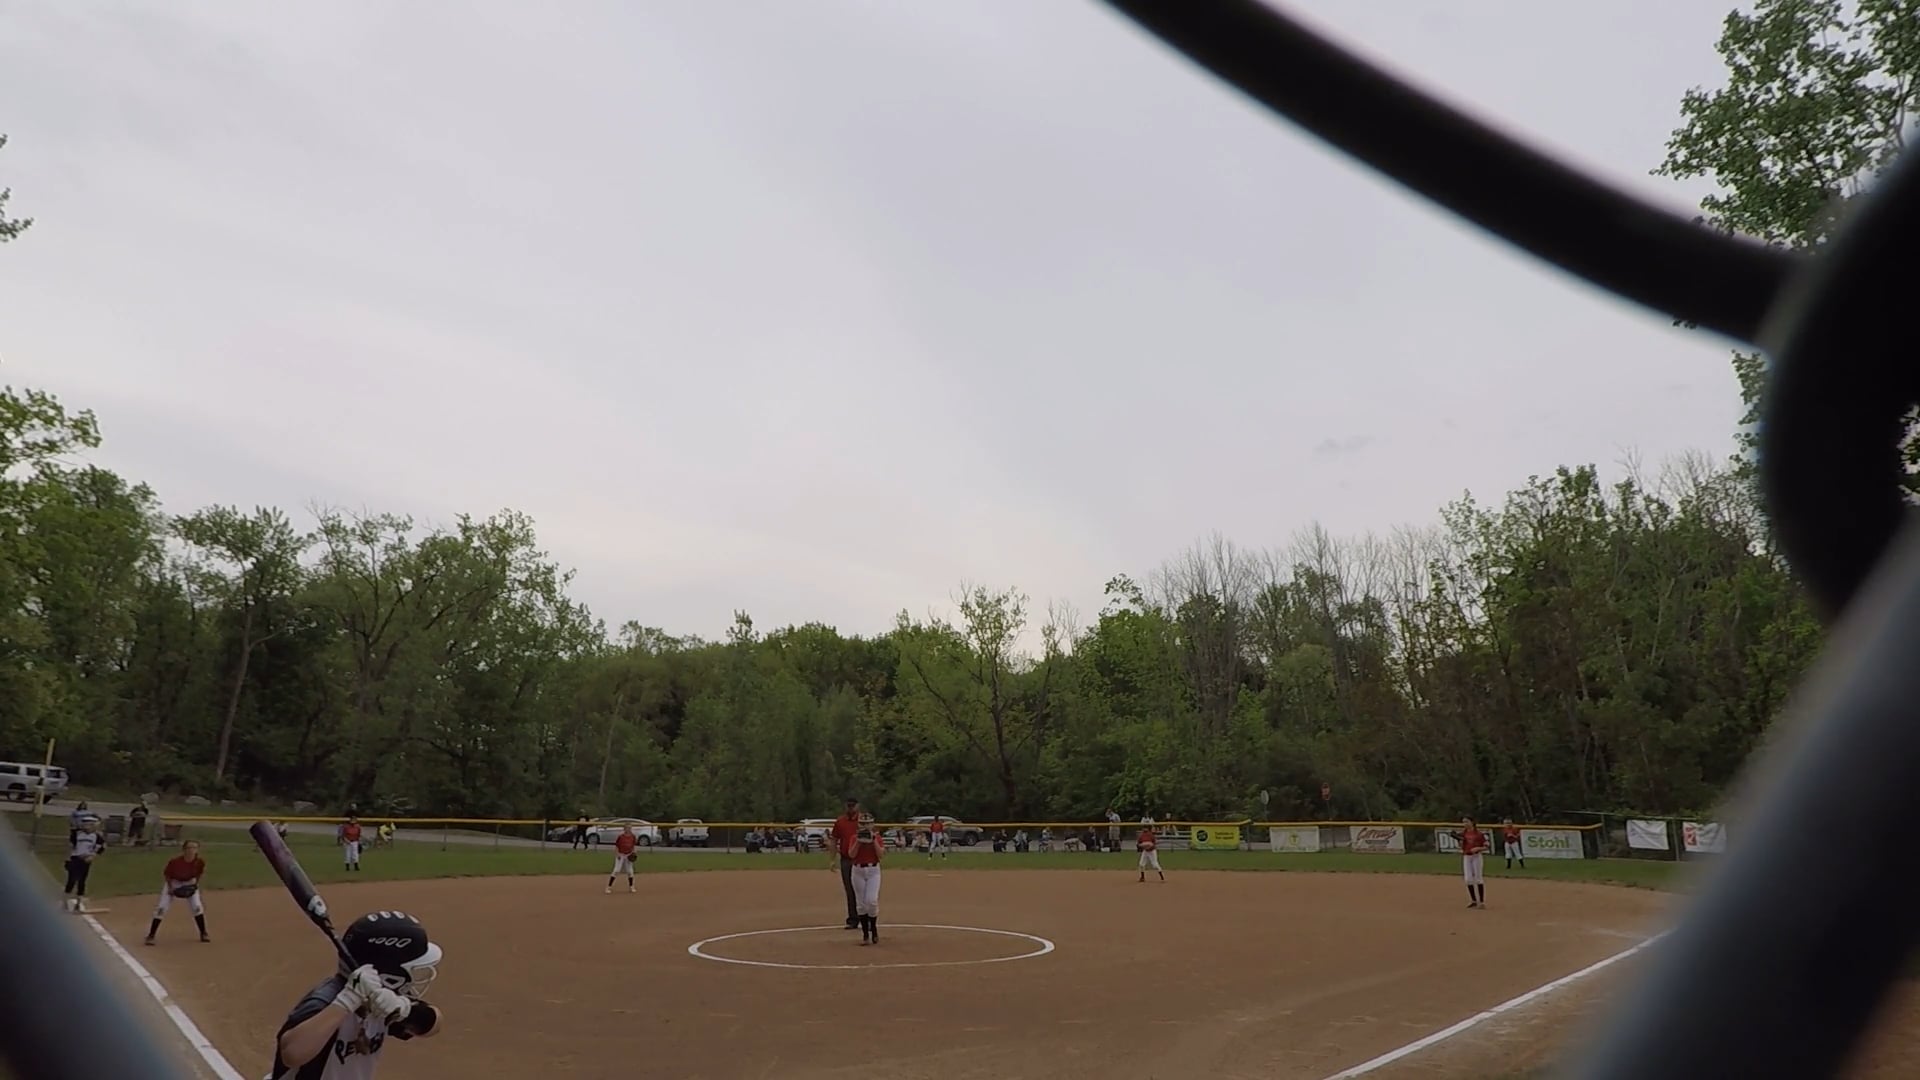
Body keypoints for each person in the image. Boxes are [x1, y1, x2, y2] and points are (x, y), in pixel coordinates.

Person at [268, 910, 444, 1079]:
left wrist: (406, 1010)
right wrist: (347, 1002)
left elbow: (433, 1025)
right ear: (388, 974)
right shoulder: (324, 1002)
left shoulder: (383, 998)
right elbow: (291, 1054)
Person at [146, 839, 209, 945]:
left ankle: (204, 933)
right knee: (161, 908)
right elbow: (167, 875)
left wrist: (195, 885)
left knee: (197, 907)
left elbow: (199, 874)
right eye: (189, 848)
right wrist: (170, 888)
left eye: (194, 848)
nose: (191, 850)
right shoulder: (175, 862)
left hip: (189, 882)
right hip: (174, 882)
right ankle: (151, 935)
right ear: (184, 850)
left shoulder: (199, 862)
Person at [850, 812, 884, 945]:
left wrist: (873, 840)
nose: (865, 826)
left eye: (868, 824)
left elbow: (881, 855)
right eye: (862, 824)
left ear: (872, 824)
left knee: (872, 900)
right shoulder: (854, 837)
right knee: (861, 904)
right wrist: (859, 842)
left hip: (873, 870)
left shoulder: (877, 837)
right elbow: (851, 854)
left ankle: (873, 929)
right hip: (858, 870)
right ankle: (865, 934)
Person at [829, 797, 862, 930]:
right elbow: (834, 840)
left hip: (861, 859)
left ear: (857, 806)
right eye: (849, 806)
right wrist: (832, 859)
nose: (850, 808)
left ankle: (867, 918)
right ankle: (853, 919)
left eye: (853, 806)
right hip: (846, 859)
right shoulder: (840, 822)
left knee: (863, 890)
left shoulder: (863, 821)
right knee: (850, 890)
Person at [64, 817, 105, 913]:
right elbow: (71, 846)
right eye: (85, 824)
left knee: (82, 881)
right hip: (75, 858)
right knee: (71, 880)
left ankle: (78, 903)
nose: (86, 826)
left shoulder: (97, 837)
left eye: (89, 824)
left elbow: (100, 848)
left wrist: (92, 856)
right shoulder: (77, 834)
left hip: (85, 860)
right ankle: (64, 902)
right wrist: (68, 857)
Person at [1457, 817, 1490, 908]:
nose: (1465, 824)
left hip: (1476, 856)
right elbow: (1461, 846)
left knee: (1478, 878)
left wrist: (1478, 848)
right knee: (1468, 879)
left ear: (1472, 822)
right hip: (1466, 856)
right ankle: (1473, 900)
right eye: (1463, 822)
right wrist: (1460, 842)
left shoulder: (1479, 834)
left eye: (1467, 821)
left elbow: (1487, 846)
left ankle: (1482, 902)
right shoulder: (1463, 833)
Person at [607, 824, 638, 894]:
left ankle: (631, 887)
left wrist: (634, 852)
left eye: (630, 828)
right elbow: (617, 846)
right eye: (627, 828)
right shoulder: (621, 836)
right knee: (616, 870)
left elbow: (634, 845)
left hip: (628, 855)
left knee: (630, 872)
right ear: (624, 829)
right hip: (621, 854)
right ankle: (609, 887)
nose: (629, 829)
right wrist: (617, 854)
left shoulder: (633, 836)